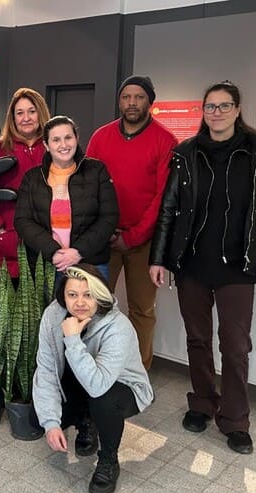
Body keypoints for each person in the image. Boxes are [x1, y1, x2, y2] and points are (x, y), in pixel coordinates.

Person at [149, 81, 256, 455]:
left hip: (239, 267)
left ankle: (235, 420)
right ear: (203, 111)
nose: (217, 112)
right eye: (210, 107)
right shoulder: (186, 154)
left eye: (224, 106)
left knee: (235, 346)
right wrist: (159, 258)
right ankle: (202, 403)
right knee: (197, 339)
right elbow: (169, 210)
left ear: (237, 109)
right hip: (192, 264)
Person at [33, 264, 153, 493]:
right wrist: (51, 423)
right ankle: (85, 419)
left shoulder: (118, 326)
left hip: (122, 388)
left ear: (100, 295)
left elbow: (98, 385)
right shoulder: (53, 315)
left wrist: (72, 339)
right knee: (35, 420)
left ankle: (109, 461)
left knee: (103, 400)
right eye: (72, 295)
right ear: (63, 296)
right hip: (82, 383)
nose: (80, 302)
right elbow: (46, 369)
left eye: (88, 295)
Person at [86, 75, 178, 370]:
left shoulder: (166, 141)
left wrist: (133, 236)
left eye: (139, 97)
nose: (132, 103)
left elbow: (163, 198)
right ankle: (95, 365)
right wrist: (103, 230)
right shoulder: (101, 137)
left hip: (143, 242)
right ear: (119, 101)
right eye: (126, 97)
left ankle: (137, 371)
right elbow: (89, 186)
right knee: (93, 304)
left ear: (150, 102)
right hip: (103, 238)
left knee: (141, 309)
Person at [14, 116, 119, 281]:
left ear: (76, 139)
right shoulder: (32, 178)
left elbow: (109, 217)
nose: (63, 145)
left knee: (91, 308)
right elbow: (22, 220)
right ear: (47, 145)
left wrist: (77, 252)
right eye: (56, 140)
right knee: (51, 308)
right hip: (48, 264)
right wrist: (54, 252)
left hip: (90, 263)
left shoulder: (97, 170)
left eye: (68, 137)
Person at [0, 88, 49, 280]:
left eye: (31, 111)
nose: (26, 118)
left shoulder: (53, 147)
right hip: (9, 245)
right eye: (20, 113)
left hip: (49, 245)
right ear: (13, 117)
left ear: (40, 113)